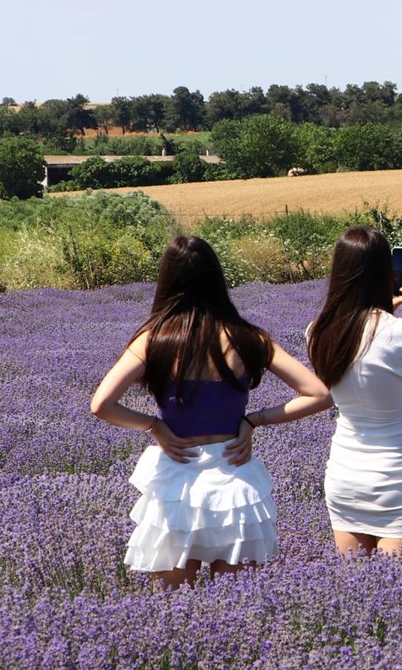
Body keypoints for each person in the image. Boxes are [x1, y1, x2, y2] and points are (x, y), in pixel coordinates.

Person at [91, 236, 330, 590]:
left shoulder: (153, 340)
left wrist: (154, 426)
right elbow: (319, 393)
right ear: (217, 279)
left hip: (177, 477)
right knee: (234, 607)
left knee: (171, 605)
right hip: (234, 477)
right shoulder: (248, 338)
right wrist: (253, 421)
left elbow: (101, 405)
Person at [307, 227, 402, 561]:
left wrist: (387, 315)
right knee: (398, 601)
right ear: (383, 273)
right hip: (399, 478)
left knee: (361, 598)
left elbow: (363, 348)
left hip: (345, 476)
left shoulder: (318, 331)